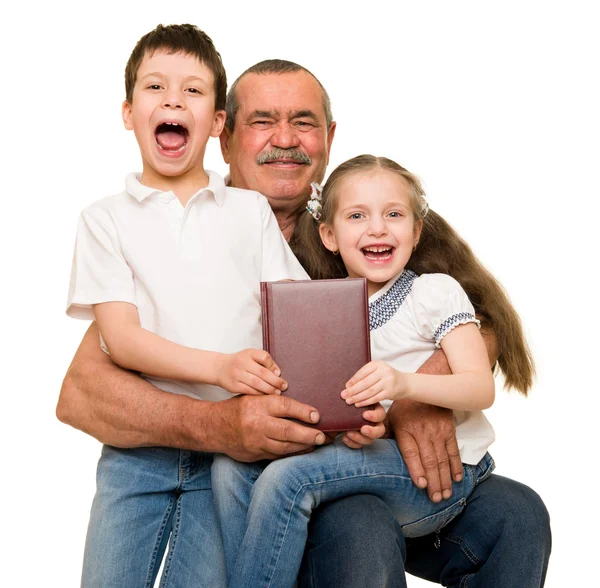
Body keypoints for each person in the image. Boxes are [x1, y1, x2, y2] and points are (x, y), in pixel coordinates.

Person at [58, 57, 551, 587]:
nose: (285, 139)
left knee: (519, 515)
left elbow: (477, 313)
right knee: (357, 524)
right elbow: (84, 391)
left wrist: (418, 394)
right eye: (262, 121)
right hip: (289, 477)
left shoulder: (367, 210)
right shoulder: (196, 231)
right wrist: (222, 427)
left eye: (305, 122)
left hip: (385, 466)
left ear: (330, 137)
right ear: (224, 136)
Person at [63, 24, 343, 588]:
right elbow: (121, 338)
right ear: (127, 112)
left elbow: (297, 313)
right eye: (155, 88)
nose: (172, 100)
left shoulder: (248, 212)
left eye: (193, 91)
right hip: (134, 459)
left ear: (216, 123)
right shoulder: (104, 219)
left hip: (228, 463)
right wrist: (221, 367)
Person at [212, 154, 508, 588]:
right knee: (229, 467)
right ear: (329, 235)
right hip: (379, 461)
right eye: (357, 216)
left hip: (441, 477)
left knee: (288, 480)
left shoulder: (434, 292)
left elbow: (481, 388)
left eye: (393, 214)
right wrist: (357, 427)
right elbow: (344, 412)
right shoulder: (323, 311)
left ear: (416, 229)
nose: (377, 228)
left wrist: (405, 384)